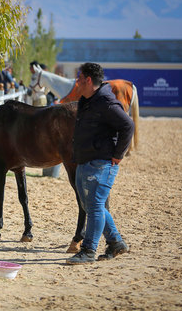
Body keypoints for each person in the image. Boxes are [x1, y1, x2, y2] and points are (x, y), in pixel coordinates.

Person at [66, 62, 134, 264]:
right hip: (85, 160)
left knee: (95, 205)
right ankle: (115, 242)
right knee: (90, 205)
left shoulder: (105, 102)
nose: (76, 81)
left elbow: (127, 125)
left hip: (102, 162)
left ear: (88, 80)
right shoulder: (88, 99)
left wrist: (118, 155)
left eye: (79, 78)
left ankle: (88, 250)